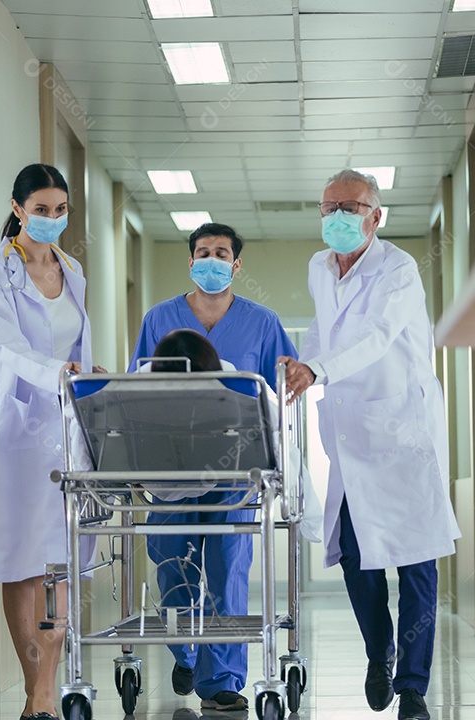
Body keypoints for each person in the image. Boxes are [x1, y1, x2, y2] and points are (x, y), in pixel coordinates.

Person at [280, 169, 461, 720]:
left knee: (416, 566)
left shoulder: (399, 270)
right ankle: (378, 650)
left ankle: (412, 688)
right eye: (329, 206)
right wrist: (297, 360)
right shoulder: (318, 267)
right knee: (357, 561)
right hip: (351, 438)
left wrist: (319, 367)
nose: (338, 216)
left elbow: (377, 335)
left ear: (375, 216)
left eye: (351, 206)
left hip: (401, 434)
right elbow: (326, 330)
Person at [128, 224, 298, 712]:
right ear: (190, 261)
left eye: (221, 253)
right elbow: (138, 388)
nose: (212, 260)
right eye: (203, 252)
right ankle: (185, 649)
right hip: (171, 469)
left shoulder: (262, 323)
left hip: (234, 473)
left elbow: (278, 395)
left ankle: (221, 679)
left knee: (228, 572)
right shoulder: (159, 318)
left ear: (236, 264)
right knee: (173, 567)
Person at [0, 163, 105, 720]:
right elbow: (0, 348)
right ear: (18, 208)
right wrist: (55, 372)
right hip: (14, 430)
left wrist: (85, 383)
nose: (52, 219)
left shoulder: (72, 269)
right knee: (21, 562)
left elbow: (82, 345)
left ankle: (45, 689)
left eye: (61, 209)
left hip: (64, 430)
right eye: (42, 209)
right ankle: (37, 689)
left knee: (58, 561)